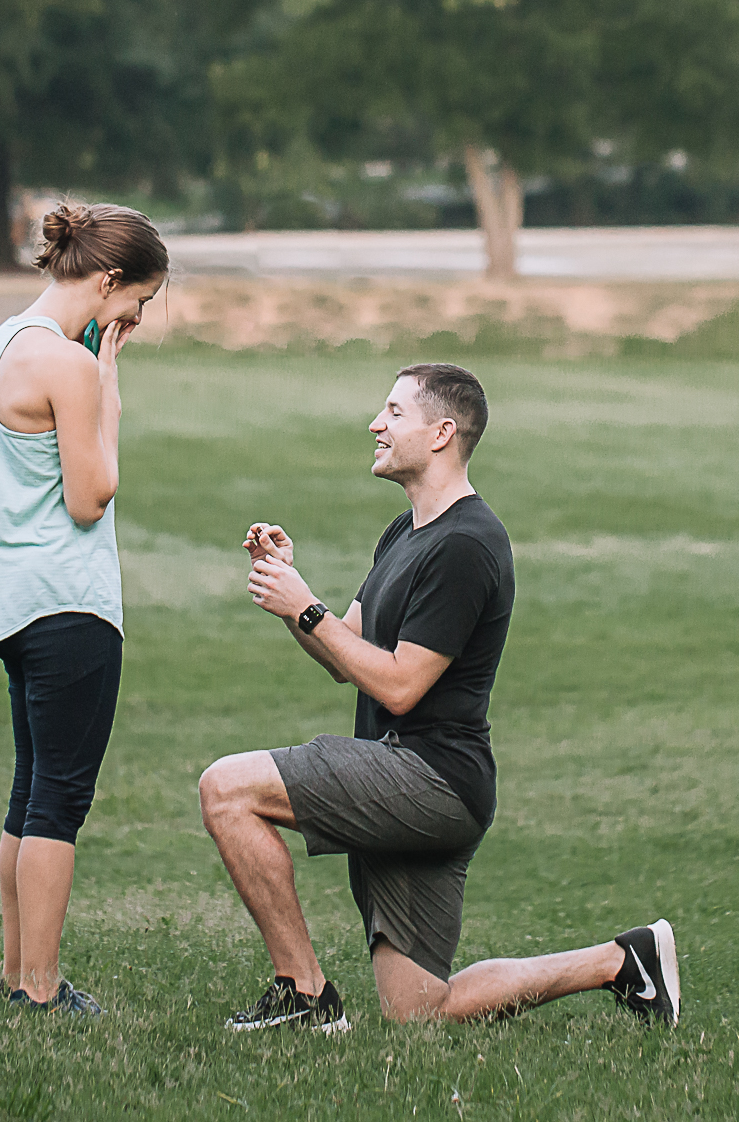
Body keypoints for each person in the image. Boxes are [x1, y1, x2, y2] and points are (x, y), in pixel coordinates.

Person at [199, 363, 679, 1030]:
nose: (376, 423)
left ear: (441, 433)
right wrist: (291, 593)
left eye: (394, 412)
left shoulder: (467, 545)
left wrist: (305, 607)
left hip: (431, 779)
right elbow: (348, 655)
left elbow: (399, 685)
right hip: (417, 778)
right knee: (421, 1008)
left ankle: (304, 994)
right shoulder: (407, 532)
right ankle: (620, 960)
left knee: (227, 787)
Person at [0, 201, 167, 1016]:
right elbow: (91, 495)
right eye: (139, 302)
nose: (135, 319)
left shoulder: (5, 341)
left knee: (30, 789)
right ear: (110, 280)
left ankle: (18, 973)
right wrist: (108, 384)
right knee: (60, 799)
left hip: (14, 605)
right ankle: (42, 989)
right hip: (69, 606)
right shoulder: (71, 365)